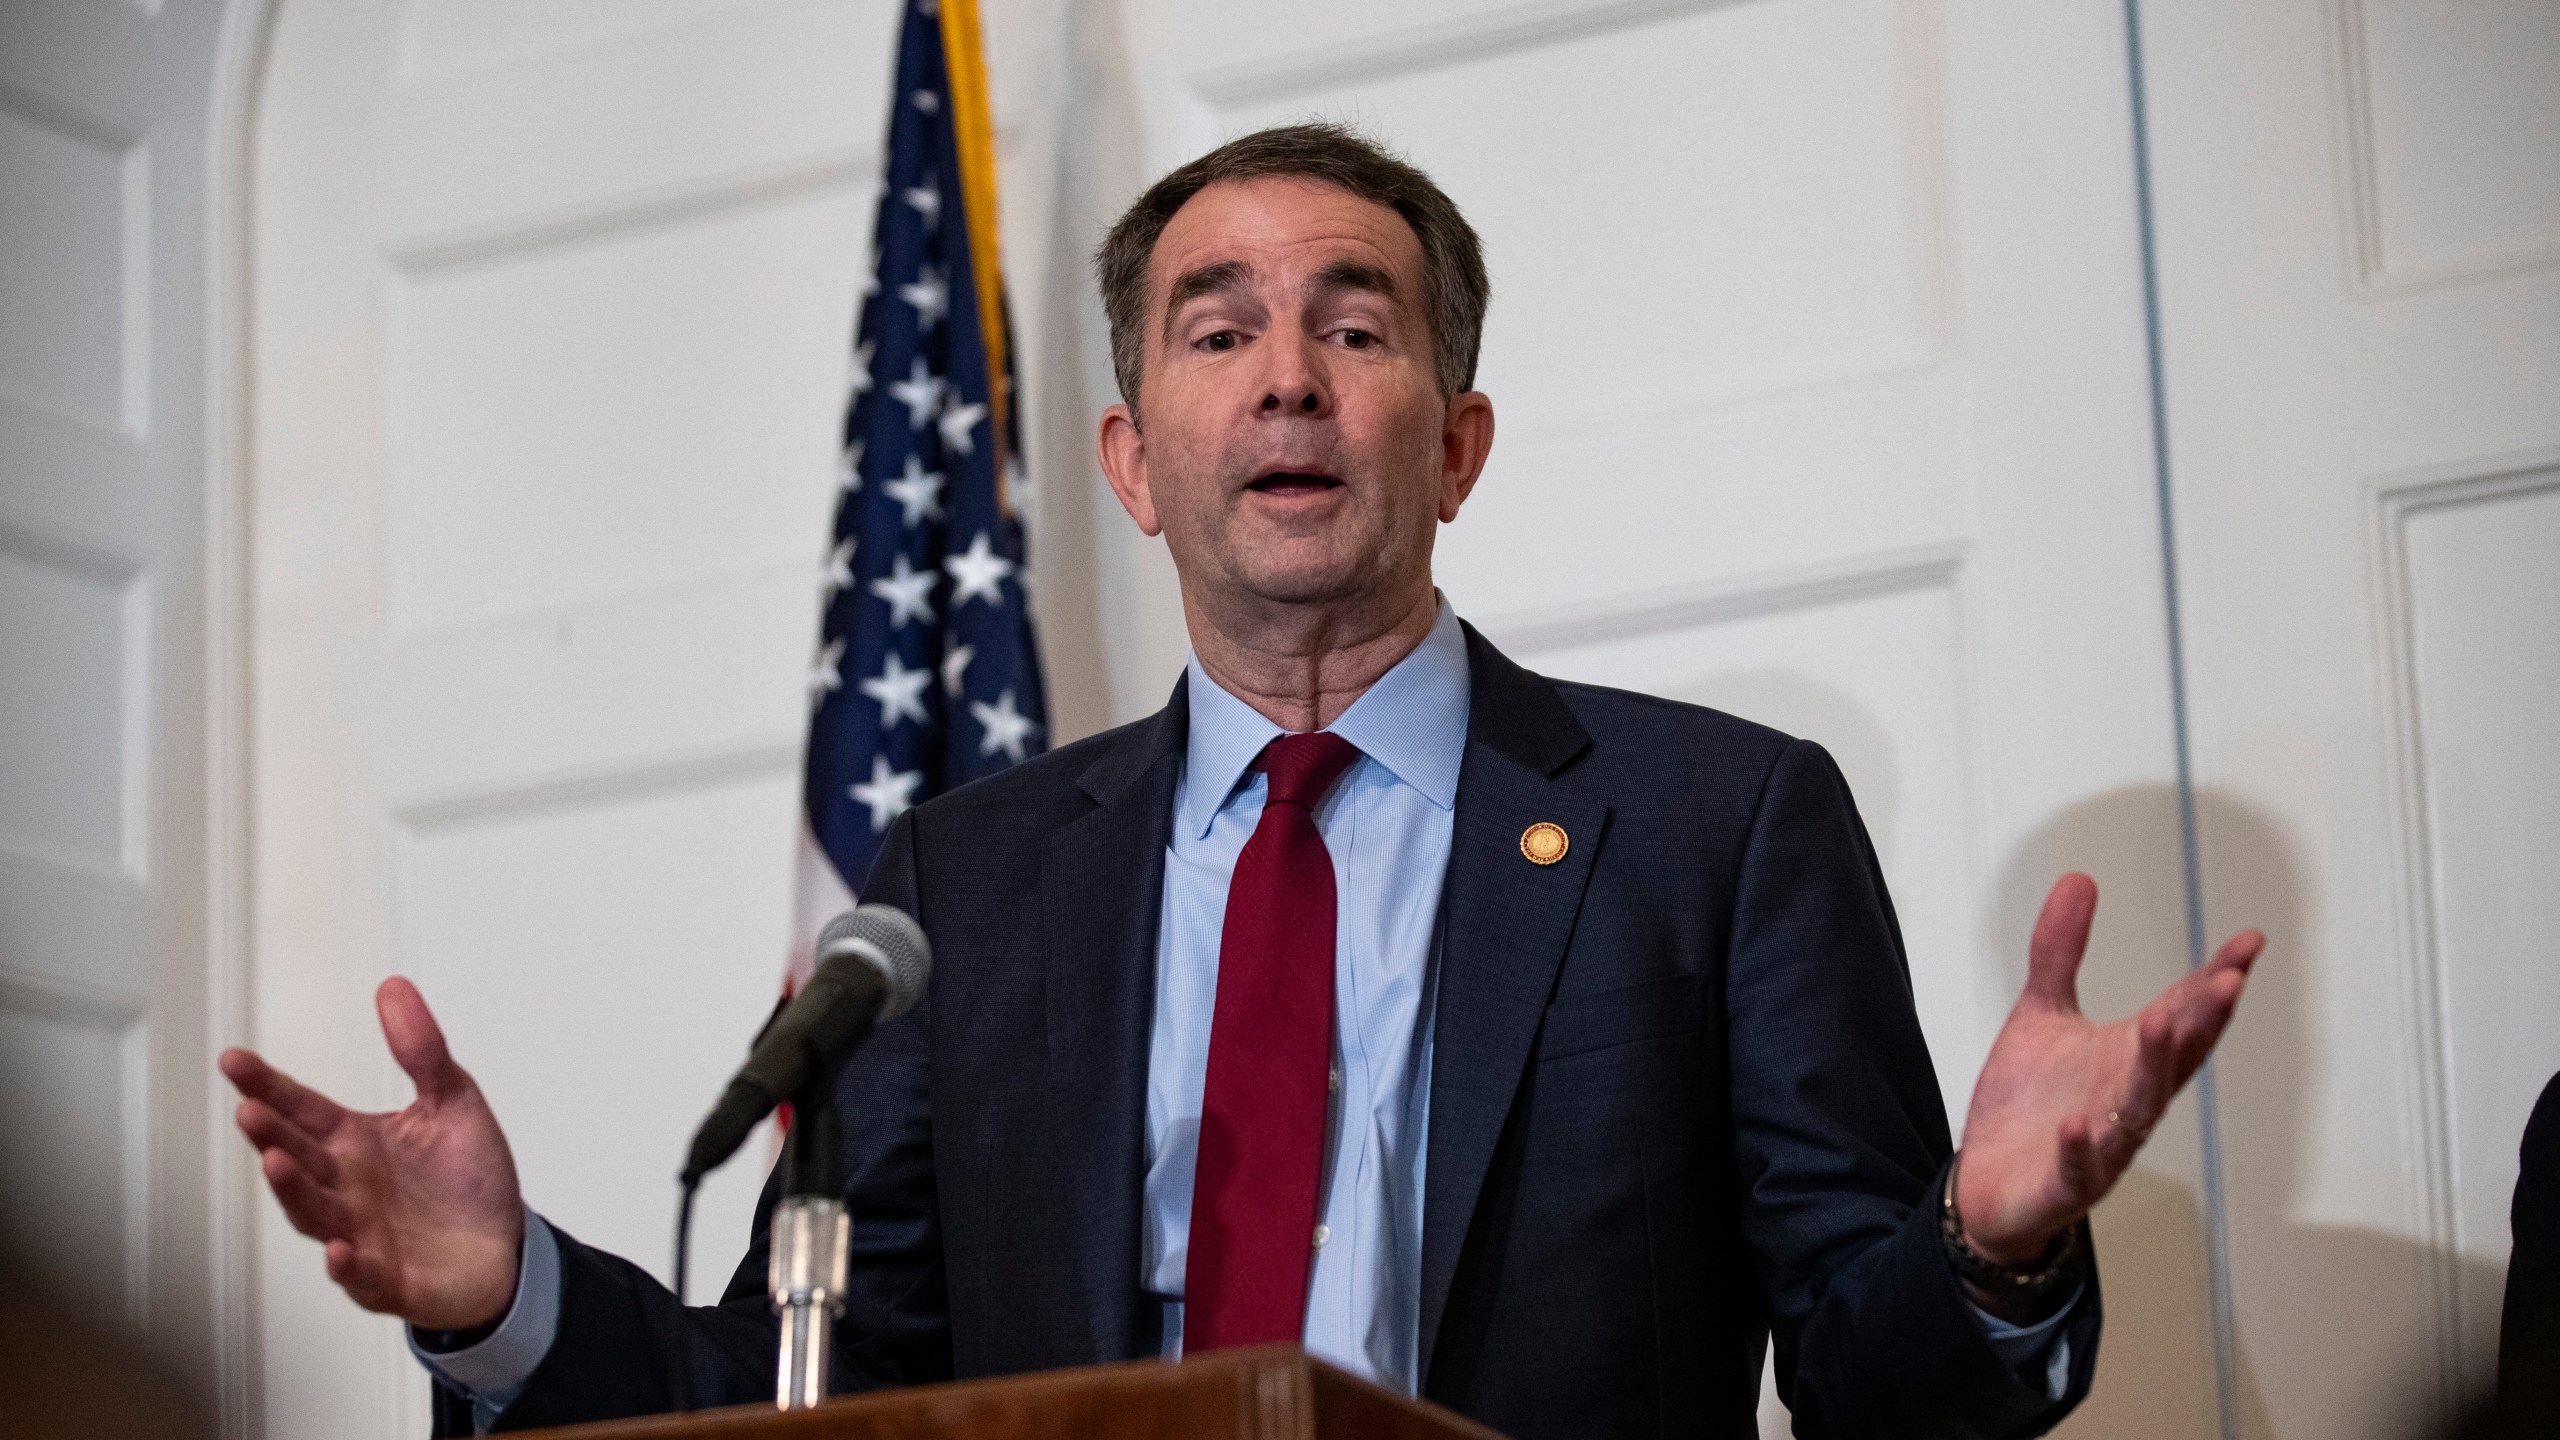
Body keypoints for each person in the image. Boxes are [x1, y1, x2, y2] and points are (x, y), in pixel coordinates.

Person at [219, 123, 2262, 1438]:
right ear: (1130, 458)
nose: (1284, 374)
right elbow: (816, 1388)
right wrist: (506, 1300)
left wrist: (1986, 1248)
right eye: (1216, 334)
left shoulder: (1715, 833)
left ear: (1453, 442)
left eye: (1349, 327)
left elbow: (1865, 1374)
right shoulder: (964, 880)